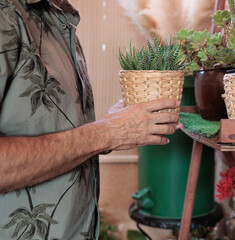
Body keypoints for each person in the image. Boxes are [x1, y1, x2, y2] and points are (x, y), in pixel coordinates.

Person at [0, 0, 182, 239]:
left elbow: (61, 132)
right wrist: (108, 132)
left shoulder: (62, 19)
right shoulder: (6, 14)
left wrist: (113, 128)